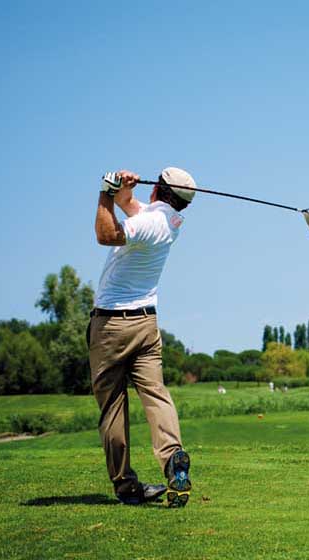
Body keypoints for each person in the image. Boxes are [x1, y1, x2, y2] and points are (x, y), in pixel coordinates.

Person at [88, 167, 195, 507]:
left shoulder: (148, 223)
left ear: (159, 190)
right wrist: (121, 189)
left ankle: (125, 485)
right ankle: (173, 458)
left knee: (113, 408)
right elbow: (131, 206)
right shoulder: (169, 221)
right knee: (156, 394)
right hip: (147, 325)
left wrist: (105, 193)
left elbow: (106, 234)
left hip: (112, 327)